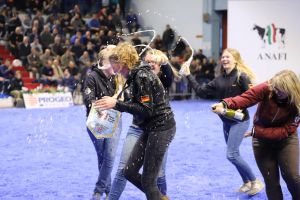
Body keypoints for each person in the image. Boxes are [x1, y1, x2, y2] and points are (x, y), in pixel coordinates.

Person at [95, 42, 176, 200]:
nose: (112, 67)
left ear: (123, 62)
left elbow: (146, 110)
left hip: (161, 128)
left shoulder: (142, 76)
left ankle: (158, 195)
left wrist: (116, 104)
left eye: (114, 63)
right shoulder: (135, 75)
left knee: (148, 181)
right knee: (129, 172)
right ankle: (160, 196)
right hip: (150, 128)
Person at [180, 48, 264, 195]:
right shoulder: (218, 80)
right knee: (234, 153)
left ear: (235, 60)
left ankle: (255, 181)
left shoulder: (242, 77)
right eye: (223, 57)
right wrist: (188, 75)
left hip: (240, 122)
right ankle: (246, 182)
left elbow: (252, 98)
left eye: (228, 57)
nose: (224, 59)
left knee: (231, 154)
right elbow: (200, 91)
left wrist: (236, 108)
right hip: (226, 123)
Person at [212, 69, 300, 200]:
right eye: (274, 88)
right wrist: (225, 103)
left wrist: (256, 132)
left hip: (286, 140)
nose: (275, 91)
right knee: (271, 182)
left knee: (292, 176)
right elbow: (245, 98)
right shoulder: (268, 87)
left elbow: (285, 131)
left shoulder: (297, 102)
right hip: (262, 142)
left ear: (290, 90)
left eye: (280, 90)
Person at [83, 45, 122, 200]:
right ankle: (109, 192)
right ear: (102, 62)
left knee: (110, 156)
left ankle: (98, 191)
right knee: (103, 158)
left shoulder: (118, 77)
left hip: (114, 120)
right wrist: (102, 104)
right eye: (111, 60)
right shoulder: (91, 77)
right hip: (95, 121)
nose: (115, 64)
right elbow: (88, 99)